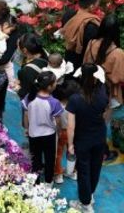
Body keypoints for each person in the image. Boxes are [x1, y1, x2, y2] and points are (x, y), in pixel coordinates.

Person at [68, 64, 109, 213]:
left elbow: (71, 126)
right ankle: (90, 195)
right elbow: (105, 114)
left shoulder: (75, 99)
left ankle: (85, 204)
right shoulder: (103, 92)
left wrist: (70, 144)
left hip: (83, 138)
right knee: (96, 167)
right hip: (99, 136)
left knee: (83, 170)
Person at [22, 71, 64, 184]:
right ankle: (48, 181)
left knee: (35, 158)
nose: (56, 84)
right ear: (49, 86)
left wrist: (27, 128)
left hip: (33, 133)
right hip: (49, 135)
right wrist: (59, 132)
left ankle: (35, 182)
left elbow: (26, 115)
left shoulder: (29, 97)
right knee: (50, 159)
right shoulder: (54, 102)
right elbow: (58, 121)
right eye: (55, 82)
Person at [84, 13, 124, 109]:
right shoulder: (118, 52)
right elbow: (120, 77)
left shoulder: (91, 43)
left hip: (91, 88)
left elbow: (85, 63)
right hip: (111, 94)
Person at [60, 0, 101, 73]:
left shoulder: (68, 15)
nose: (98, 6)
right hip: (83, 61)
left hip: (69, 55)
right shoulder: (91, 24)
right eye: (97, 3)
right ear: (91, 6)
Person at [53, 80, 80, 184]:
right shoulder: (76, 106)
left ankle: (58, 174)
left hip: (61, 132)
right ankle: (72, 172)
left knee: (58, 153)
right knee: (72, 151)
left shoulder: (57, 105)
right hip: (73, 131)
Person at [16, 34, 48, 101]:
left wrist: (18, 88)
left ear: (25, 50)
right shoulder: (44, 54)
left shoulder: (29, 70)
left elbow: (25, 92)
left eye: (18, 46)